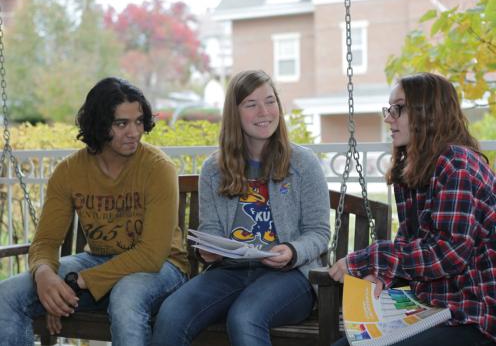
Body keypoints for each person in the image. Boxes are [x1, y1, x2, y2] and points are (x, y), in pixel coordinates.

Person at [0, 77, 189, 346]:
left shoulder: (158, 168)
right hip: (99, 261)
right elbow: (46, 242)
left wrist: (78, 283)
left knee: (126, 295)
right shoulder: (69, 172)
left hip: (162, 268)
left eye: (138, 121)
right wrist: (45, 276)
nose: (134, 132)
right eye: (121, 124)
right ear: (99, 125)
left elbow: (151, 255)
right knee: (6, 295)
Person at [150, 70, 331, 346]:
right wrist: (208, 250)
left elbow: (318, 232)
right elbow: (210, 227)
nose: (264, 111)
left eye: (270, 101)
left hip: (290, 276)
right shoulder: (214, 169)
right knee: (172, 312)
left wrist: (293, 251)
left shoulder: (303, 164)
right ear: (235, 113)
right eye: (251, 104)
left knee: (244, 317)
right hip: (230, 272)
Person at [329, 72, 496, 345]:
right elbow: (410, 243)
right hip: (434, 305)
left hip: (473, 314)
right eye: (389, 108)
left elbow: (448, 254)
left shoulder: (456, 163)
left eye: (399, 108)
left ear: (428, 113)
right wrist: (382, 275)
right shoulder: (413, 167)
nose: (388, 118)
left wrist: (369, 259)